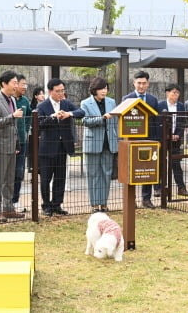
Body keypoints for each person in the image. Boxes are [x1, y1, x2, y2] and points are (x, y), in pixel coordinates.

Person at [37, 78, 85, 216]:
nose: (61, 94)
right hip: (47, 148)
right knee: (46, 178)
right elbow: (38, 124)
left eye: (63, 91)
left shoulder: (66, 103)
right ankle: (46, 205)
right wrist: (53, 117)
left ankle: (57, 204)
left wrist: (69, 114)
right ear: (50, 91)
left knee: (60, 177)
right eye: (58, 91)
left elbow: (81, 112)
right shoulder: (42, 106)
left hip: (63, 147)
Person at [0, 70, 25, 222]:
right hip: (0, 145)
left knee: (10, 179)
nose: (16, 85)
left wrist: (17, 143)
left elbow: (15, 126)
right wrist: (12, 116)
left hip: (12, 144)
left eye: (17, 83)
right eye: (14, 83)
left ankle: (8, 208)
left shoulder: (12, 100)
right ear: (4, 83)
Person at [122, 70, 159, 209]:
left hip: (149, 139)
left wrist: (156, 140)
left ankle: (146, 199)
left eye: (144, 83)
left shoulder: (152, 100)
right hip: (132, 139)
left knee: (147, 168)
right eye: (139, 83)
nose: (141, 86)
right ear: (134, 83)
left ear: (148, 84)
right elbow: (123, 120)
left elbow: (156, 121)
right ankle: (131, 199)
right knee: (132, 168)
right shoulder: (127, 99)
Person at [80, 77, 118, 213]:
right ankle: (95, 204)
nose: (104, 91)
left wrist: (116, 138)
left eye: (106, 88)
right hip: (93, 144)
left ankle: (104, 203)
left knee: (106, 174)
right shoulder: (85, 103)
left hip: (109, 143)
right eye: (102, 88)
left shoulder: (112, 102)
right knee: (93, 174)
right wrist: (102, 118)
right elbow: (85, 121)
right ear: (94, 90)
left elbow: (116, 123)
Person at [158, 84, 188, 196]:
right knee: (161, 163)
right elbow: (158, 123)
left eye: (177, 93)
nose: (175, 95)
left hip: (176, 140)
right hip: (163, 139)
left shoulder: (181, 106)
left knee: (176, 164)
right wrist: (167, 135)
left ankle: (181, 188)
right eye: (173, 92)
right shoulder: (160, 105)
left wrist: (178, 134)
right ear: (167, 93)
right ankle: (159, 188)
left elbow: (183, 122)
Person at [12, 74, 32, 212]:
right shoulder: (5, 100)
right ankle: (5, 202)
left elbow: (29, 117)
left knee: (19, 172)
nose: (25, 87)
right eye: (22, 84)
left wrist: (24, 130)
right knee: (7, 173)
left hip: (22, 143)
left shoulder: (25, 100)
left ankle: (15, 201)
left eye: (26, 84)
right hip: (8, 143)